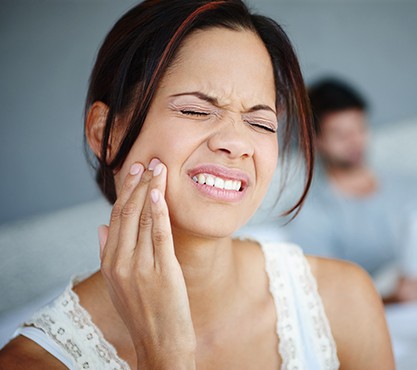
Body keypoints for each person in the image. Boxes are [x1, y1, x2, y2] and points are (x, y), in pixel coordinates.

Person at [0, 1, 394, 369]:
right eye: (195, 110)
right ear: (108, 133)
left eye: (260, 123)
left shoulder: (343, 300)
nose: (237, 144)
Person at [285, 77, 417, 302]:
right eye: (340, 134)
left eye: (359, 128)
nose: (355, 141)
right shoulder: (313, 214)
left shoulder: (407, 186)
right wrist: (394, 297)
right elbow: (328, 297)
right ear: (316, 141)